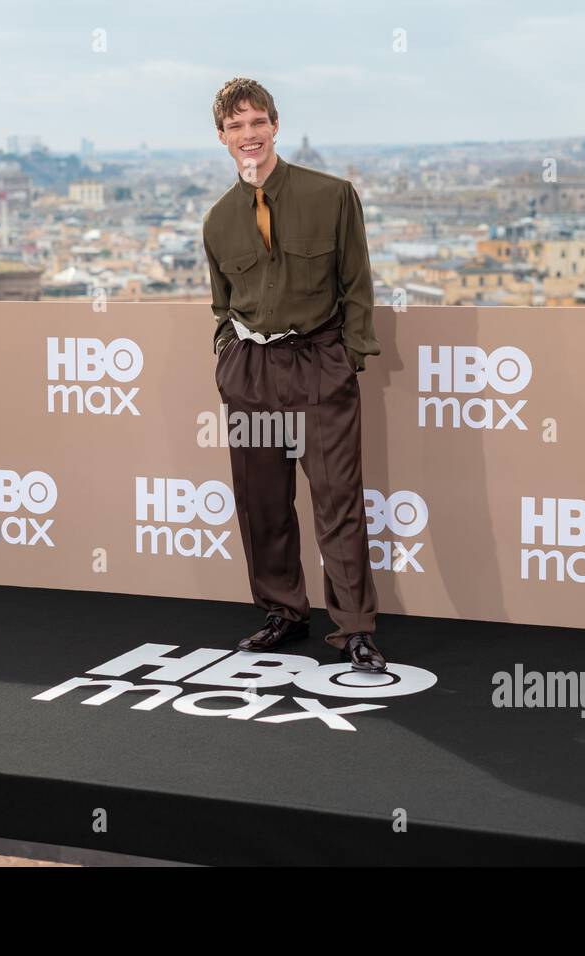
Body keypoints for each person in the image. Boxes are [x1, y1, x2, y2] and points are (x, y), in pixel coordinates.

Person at [202, 77, 385, 672]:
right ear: (222, 137)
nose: (248, 135)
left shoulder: (331, 195)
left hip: (318, 368)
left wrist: (347, 359)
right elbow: (221, 305)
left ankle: (355, 628)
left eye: (257, 123)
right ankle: (283, 612)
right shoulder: (219, 220)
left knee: (338, 501)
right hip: (251, 375)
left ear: (275, 126)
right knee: (262, 503)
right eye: (236, 127)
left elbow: (356, 286)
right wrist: (230, 359)